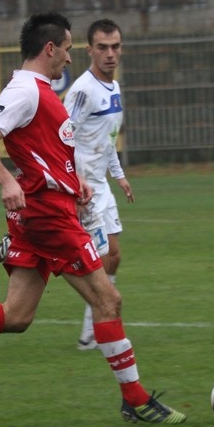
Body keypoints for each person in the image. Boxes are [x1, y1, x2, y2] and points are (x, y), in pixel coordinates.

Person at [0, 12, 185, 424]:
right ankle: (135, 401)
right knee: (108, 299)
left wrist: (73, 181)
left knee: (17, 317)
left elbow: (44, 151)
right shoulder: (25, 91)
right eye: (66, 48)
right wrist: (7, 182)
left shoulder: (39, 90)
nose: (69, 57)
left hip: (47, 211)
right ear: (50, 49)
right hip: (49, 219)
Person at [63, 19, 133, 350]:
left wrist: (118, 174)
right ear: (89, 50)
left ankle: (98, 321)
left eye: (115, 46)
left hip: (102, 186)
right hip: (83, 190)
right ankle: (93, 330)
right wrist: (73, 181)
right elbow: (61, 137)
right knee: (99, 259)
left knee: (114, 256)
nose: (110, 54)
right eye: (102, 47)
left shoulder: (115, 89)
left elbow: (108, 141)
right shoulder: (81, 90)